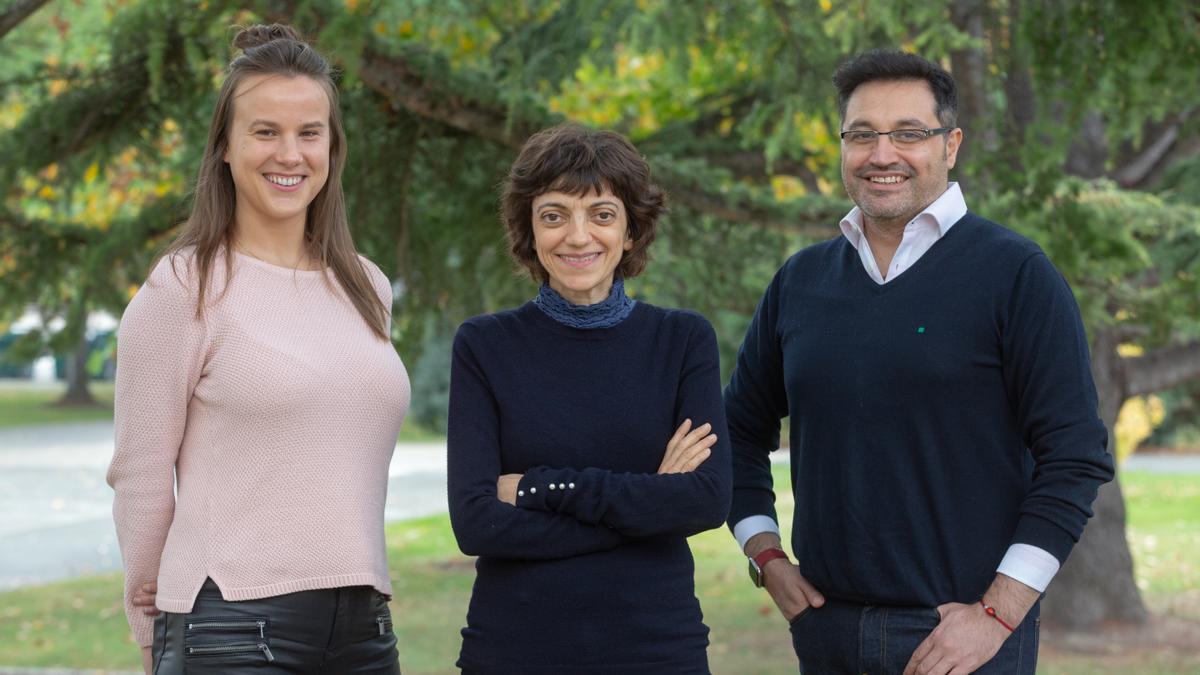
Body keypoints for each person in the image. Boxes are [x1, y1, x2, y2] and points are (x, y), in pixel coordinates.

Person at [724, 49, 1115, 674]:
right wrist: (763, 553)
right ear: (844, 146)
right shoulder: (800, 281)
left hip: (965, 638)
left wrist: (998, 614)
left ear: (951, 144)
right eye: (862, 135)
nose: (883, 154)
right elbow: (737, 430)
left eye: (909, 133)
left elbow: (1075, 459)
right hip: (827, 633)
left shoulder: (1016, 275)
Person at [107, 24, 408, 674]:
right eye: (265, 131)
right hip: (231, 625)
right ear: (224, 146)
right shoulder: (182, 287)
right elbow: (141, 471)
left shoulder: (367, 285)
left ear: (332, 145)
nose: (290, 153)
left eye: (310, 132)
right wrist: (152, 629)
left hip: (364, 629)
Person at [446, 124, 731, 673]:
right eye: (554, 215)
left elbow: (705, 501)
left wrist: (540, 487)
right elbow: (476, 524)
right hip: (515, 649)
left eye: (601, 214)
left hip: (656, 649)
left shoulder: (682, 340)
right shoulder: (484, 346)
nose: (578, 237)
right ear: (530, 232)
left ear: (630, 232)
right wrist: (648, 502)